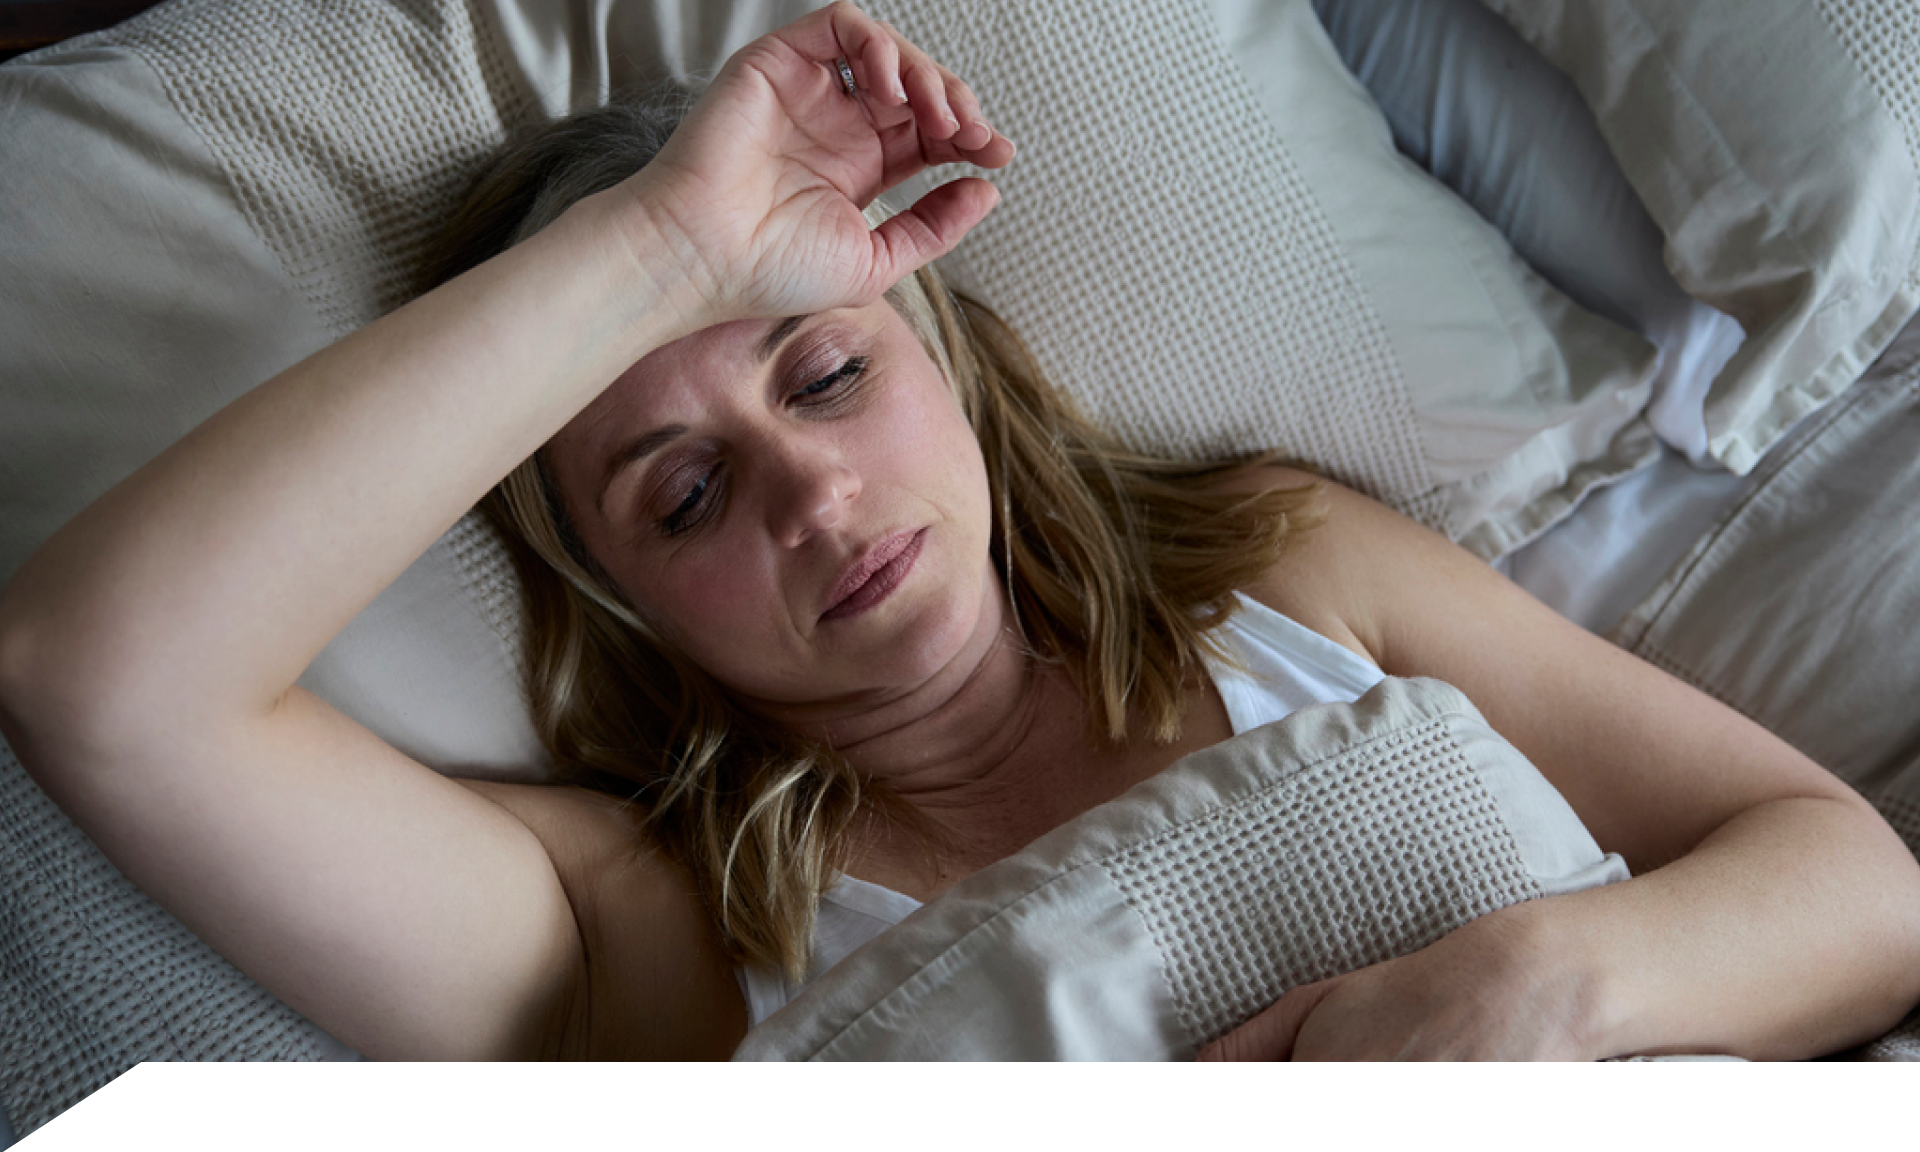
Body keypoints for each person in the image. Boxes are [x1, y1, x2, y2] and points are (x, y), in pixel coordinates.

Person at [0, 2, 1916, 1061]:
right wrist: (662, 250)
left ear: (951, 363)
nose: (814, 497)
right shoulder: (630, 936)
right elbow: (99, 678)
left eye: (824, 380)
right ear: (626, 606)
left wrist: (1527, 992)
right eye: (680, 493)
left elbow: (1859, 887)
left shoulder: (1284, 570)